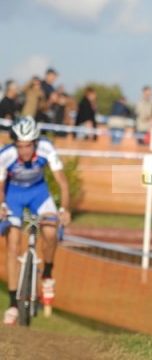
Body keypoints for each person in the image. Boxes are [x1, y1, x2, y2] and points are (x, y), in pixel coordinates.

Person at [0, 117, 71, 325]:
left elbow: (63, 183)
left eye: (28, 146)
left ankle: (47, 274)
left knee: (50, 231)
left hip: (39, 193)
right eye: (20, 146)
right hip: (13, 194)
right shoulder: (6, 155)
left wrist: (64, 209)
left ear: (35, 143)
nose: (24, 151)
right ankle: (13, 304)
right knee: (12, 243)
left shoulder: (47, 148)